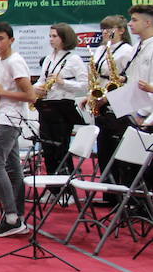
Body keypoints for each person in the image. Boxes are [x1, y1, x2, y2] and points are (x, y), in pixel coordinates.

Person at [0, 22, 36, 237]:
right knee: (13, 167)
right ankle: (18, 217)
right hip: (3, 115)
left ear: (11, 40)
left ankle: (11, 217)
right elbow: (5, 92)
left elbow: (30, 95)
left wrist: (3, 93)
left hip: (12, 118)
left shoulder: (15, 61)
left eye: (0, 39)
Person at [88, 14, 136, 196]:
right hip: (100, 98)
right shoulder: (101, 49)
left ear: (122, 31)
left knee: (116, 148)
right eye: (103, 29)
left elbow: (127, 79)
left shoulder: (127, 50)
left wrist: (108, 97)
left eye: (110, 28)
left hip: (117, 101)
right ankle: (107, 190)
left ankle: (120, 192)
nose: (105, 32)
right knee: (103, 148)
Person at [33, 23, 88, 179]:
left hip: (63, 108)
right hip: (47, 106)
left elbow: (84, 85)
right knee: (48, 149)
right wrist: (37, 88)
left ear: (65, 37)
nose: (51, 39)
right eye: (50, 36)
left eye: (54, 36)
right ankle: (53, 189)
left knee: (61, 149)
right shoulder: (48, 58)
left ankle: (67, 189)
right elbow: (41, 80)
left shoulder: (74, 59)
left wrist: (63, 83)